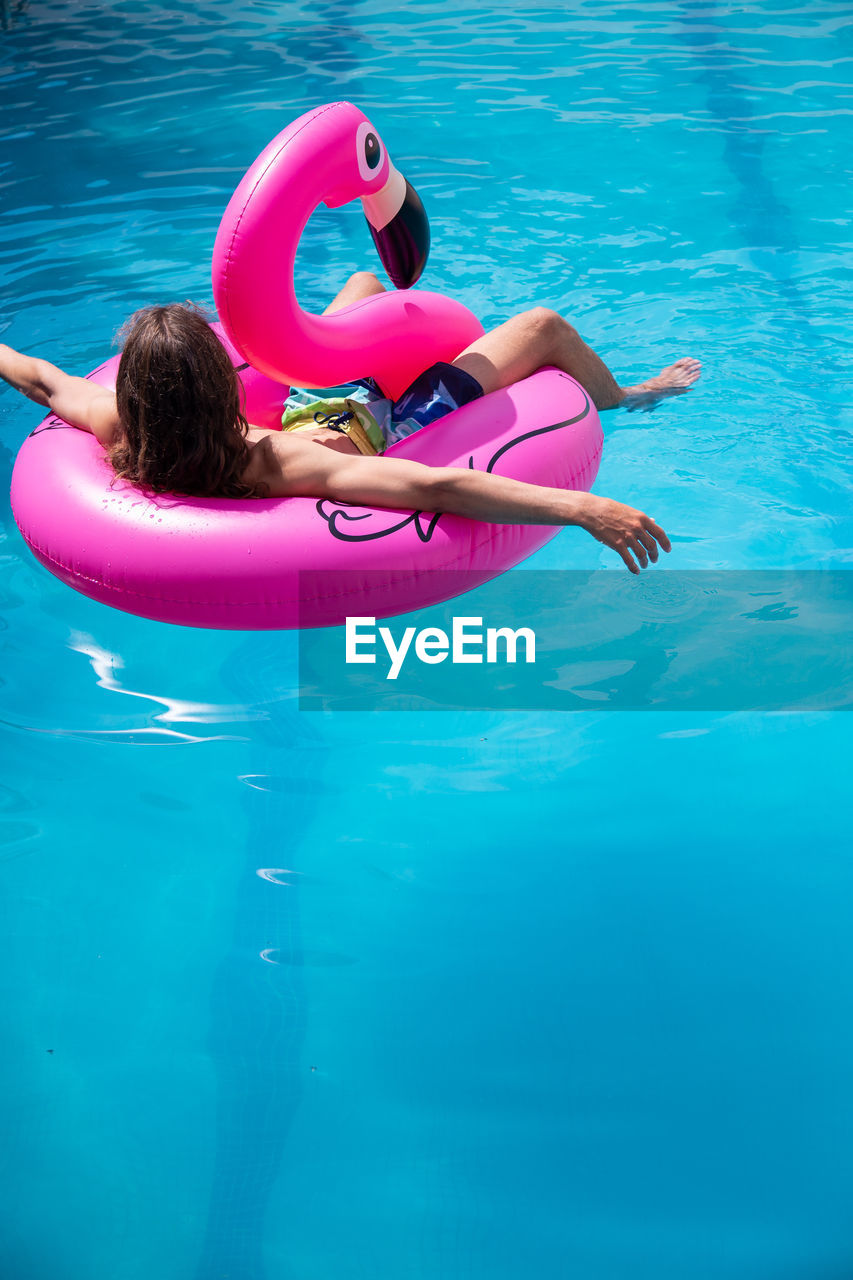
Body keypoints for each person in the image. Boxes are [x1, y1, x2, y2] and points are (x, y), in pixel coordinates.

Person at [0, 272, 701, 573]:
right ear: (219, 390)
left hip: (314, 407)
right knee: (541, 326)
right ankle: (631, 396)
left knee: (367, 290)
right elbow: (435, 487)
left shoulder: (116, 424)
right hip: (391, 421)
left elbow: (37, 376)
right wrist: (580, 508)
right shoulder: (270, 462)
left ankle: (381, 320)